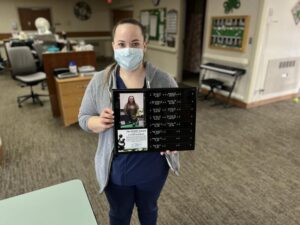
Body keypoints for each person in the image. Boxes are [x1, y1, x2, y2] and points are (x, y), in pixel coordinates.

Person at [78, 18, 180, 225]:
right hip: (117, 169)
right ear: (114, 46)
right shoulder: (100, 80)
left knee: (149, 209)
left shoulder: (164, 80)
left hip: (153, 167)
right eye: (122, 44)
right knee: (119, 214)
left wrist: (173, 140)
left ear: (144, 45)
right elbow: (83, 118)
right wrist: (98, 122)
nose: (128, 49)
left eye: (134, 44)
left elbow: (177, 122)